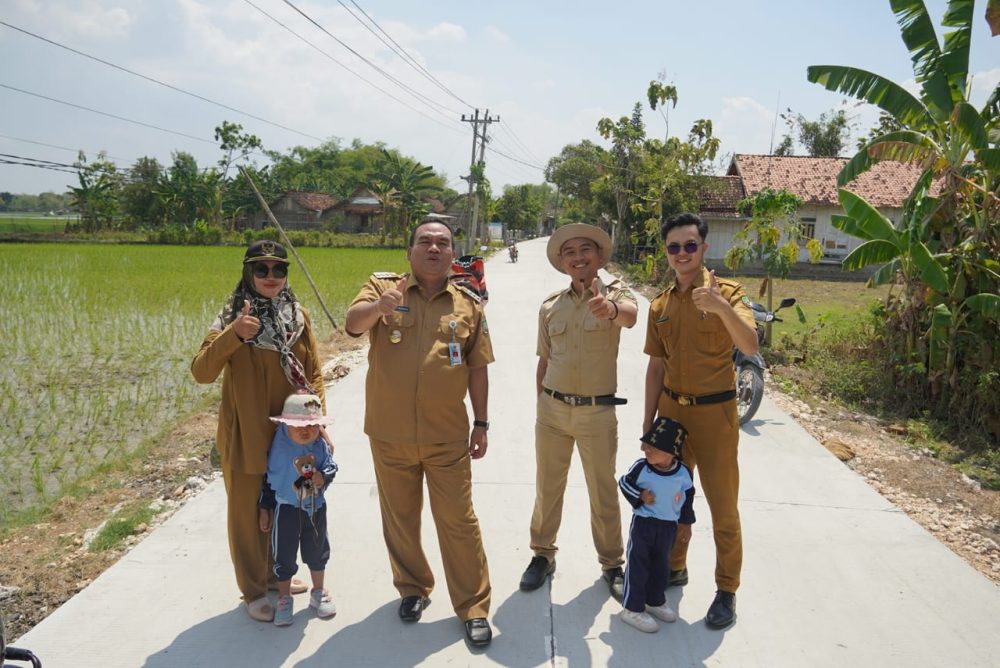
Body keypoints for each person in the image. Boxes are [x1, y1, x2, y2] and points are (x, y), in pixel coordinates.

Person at [344, 220, 494, 647]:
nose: (433, 248)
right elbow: (353, 325)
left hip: (447, 436)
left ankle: (474, 606)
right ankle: (413, 588)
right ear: (409, 251)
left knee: (459, 522)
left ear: (452, 254)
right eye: (424, 241)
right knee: (401, 519)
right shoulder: (382, 286)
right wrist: (380, 307)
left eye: (442, 243)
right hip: (389, 434)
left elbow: (478, 367)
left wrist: (481, 423)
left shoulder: (468, 304)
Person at [191, 240, 325, 622]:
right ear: (248, 273)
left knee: (286, 504)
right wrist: (234, 334)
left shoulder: (298, 316)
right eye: (261, 269)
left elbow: (314, 371)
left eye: (278, 269)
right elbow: (201, 371)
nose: (270, 277)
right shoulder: (231, 317)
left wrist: (318, 423)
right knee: (247, 514)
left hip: (291, 435)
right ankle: (253, 589)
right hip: (246, 434)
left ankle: (273, 575)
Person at [642, 212, 758, 629]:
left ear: (704, 248)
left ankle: (726, 590)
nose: (682, 254)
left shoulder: (727, 293)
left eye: (690, 245)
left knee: (724, 507)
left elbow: (750, 343)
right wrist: (648, 424)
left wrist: (722, 309)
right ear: (667, 253)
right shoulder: (661, 304)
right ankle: (675, 566)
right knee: (671, 500)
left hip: (716, 414)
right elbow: (656, 367)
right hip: (672, 413)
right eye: (674, 247)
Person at [519, 223, 638, 600]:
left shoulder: (615, 292)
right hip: (552, 411)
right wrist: (541, 402)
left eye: (585, 249)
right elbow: (544, 360)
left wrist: (610, 308)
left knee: (602, 491)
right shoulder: (550, 305)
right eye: (569, 252)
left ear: (599, 257)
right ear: (562, 261)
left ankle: (612, 563)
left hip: (596, 412)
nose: (578, 257)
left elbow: (631, 316)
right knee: (547, 488)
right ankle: (542, 554)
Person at [258, 392, 339, 627]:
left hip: (315, 508)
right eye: (299, 426)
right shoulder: (279, 447)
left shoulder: (320, 445)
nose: (306, 431)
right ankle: (285, 598)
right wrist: (265, 508)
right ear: (286, 425)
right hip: (286, 510)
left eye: (313, 425)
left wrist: (323, 476)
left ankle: (319, 591)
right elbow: (270, 479)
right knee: (283, 553)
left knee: (318, 549)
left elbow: (331, 466)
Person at [617, 416, 695, 633]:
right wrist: (640, 496)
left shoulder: (683, 473)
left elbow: (687, 498)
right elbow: (623, 482)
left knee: (661, 566)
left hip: (668, 528)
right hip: (644, 525)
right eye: (646, 444)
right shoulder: (642, 467)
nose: (646, 449)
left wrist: (686, 524)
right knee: (638, 565)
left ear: (671, 452)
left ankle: (654, 601)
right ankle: (632, 608)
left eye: (653, 446)